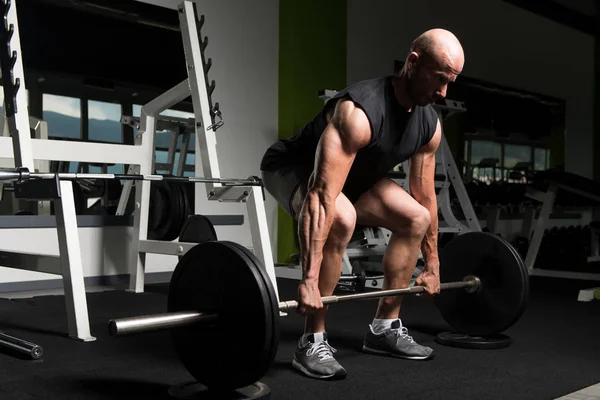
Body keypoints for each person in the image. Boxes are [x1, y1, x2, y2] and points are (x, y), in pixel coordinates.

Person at [260, 28, 465, 380]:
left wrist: (432, 264)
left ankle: (384, 328)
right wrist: (308, 279)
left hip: (354, 178)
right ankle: (312, 339)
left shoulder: (429, 124)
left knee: (414, 218)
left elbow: (425, 196)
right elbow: (322, 197)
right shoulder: (359, 111)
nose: (443, 92)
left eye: (451, 82)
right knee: (341, 217)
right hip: (293, 169)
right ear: (413, 63)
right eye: (439, 79)